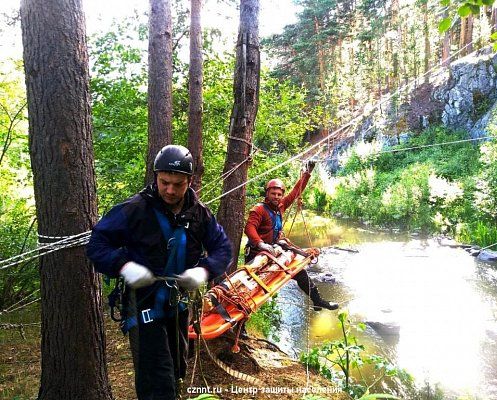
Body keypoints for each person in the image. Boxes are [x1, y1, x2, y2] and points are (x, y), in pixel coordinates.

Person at [87, 145, 232, 400]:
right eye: (164, 182)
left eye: (178, 184)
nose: (170, 190)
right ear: (156, 177)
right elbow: (98, 244)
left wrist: (204, 271)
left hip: (179, 303)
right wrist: (124, 266)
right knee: (157, 377)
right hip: (145, 301)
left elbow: (222, 248)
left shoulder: (199, 214)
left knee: (178, 367)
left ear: (189, 181)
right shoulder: (135, 210)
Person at [244, 161, 338, 311]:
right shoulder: (259, 210)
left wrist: (307, 172)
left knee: (300, 274)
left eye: (279, 194)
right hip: (257, 254)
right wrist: (261, 244)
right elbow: (249, 228)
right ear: (267, 194)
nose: (276, 197)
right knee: (251, 289)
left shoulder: (280, 206)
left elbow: (296, 191)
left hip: (274, 253)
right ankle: (239, 325)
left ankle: (317, 300)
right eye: (273, 194)